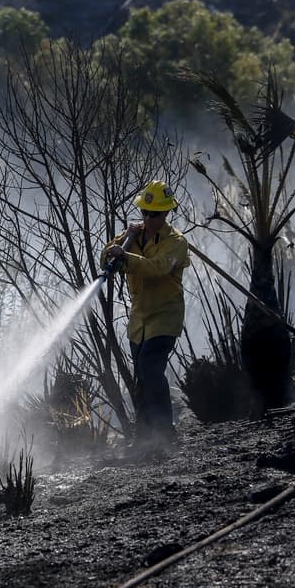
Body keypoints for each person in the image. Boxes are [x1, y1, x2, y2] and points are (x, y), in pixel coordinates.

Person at [104, 180, 190, 449]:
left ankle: (165, 432)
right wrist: (116, 249)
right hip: (139, 319)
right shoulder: (132, 237)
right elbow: (105, 256)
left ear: (166, 214)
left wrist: (126, 257)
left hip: (165, 316)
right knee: (142, 374)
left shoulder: (176, 242)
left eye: (155, 214)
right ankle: (144, 437)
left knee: (152, 368)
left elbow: (158, 268)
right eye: (145, 213)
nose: (149, 218)